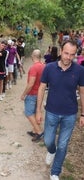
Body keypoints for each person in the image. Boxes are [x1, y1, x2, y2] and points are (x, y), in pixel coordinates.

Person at [35, 40, 84, 180]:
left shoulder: (80, 71)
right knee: (49, 141)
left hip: (70, 114)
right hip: (51, 111)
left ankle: (55, 172)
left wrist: (83, 114)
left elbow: (82, 92)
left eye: (72, 55)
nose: (68, 57)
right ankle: (51, 151)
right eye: (66, 53)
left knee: (63, 144)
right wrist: (38, 110)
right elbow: (41, 88)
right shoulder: (49, 68)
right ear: (61, 51)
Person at [20, 49, 45, 142]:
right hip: (39, 93)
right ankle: (35, 130)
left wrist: (23, 94)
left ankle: (39, 132)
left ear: (32, 56)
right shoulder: (43, 66)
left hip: (32, 94)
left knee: (28, 113)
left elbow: (31, 83)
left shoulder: (34, 68)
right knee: (34, 112)